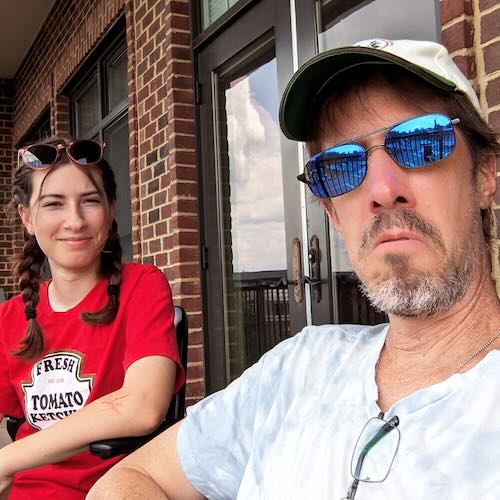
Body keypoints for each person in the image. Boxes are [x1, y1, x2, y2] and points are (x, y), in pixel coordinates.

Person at [88, 38, 500, 499]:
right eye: (343, 165)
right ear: (332, 213)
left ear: (485, 172)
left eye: (420, 142)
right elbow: (128, 479)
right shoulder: (299, 369)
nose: (383, 189)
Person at [0, 138, 185, 499]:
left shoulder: (142, 286)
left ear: (111, 208)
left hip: (117, 489)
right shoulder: (9, 318)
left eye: (90, 200)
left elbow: (143, 407)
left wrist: (7, 460)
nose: (75, 221)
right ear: (27, 218)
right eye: (53, 204)